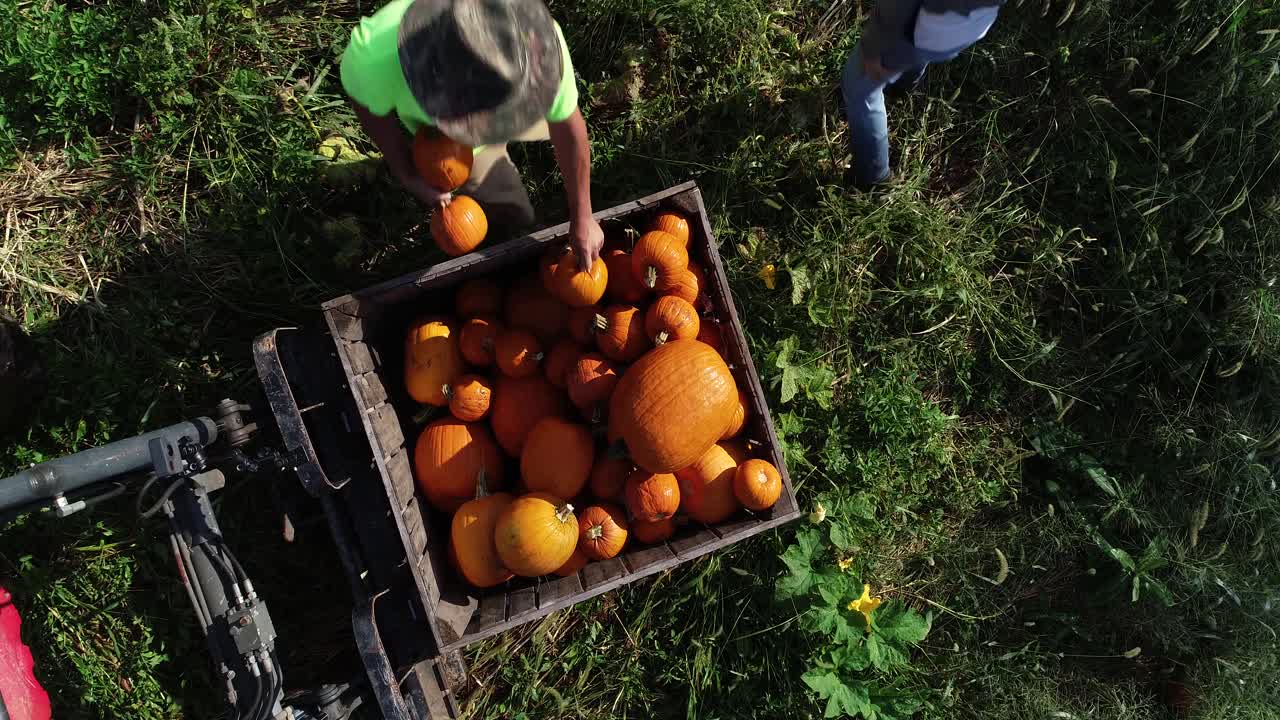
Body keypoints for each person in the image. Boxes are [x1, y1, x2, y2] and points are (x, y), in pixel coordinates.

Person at [340, 0, 604, 267]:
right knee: (510, 212)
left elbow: (568, 127)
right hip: (447, 147)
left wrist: (583, 215)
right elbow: (363, 101)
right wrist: (405, 169)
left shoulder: (541, 48)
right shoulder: (375, 56)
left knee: (553, 118)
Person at [842, 0, 1005, 189]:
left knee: (859, 86)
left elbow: (897, 7)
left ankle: (872, 178)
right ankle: (902, 87)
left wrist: (872, 46)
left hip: (918, 23)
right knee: (918, 50)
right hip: (964, 24)